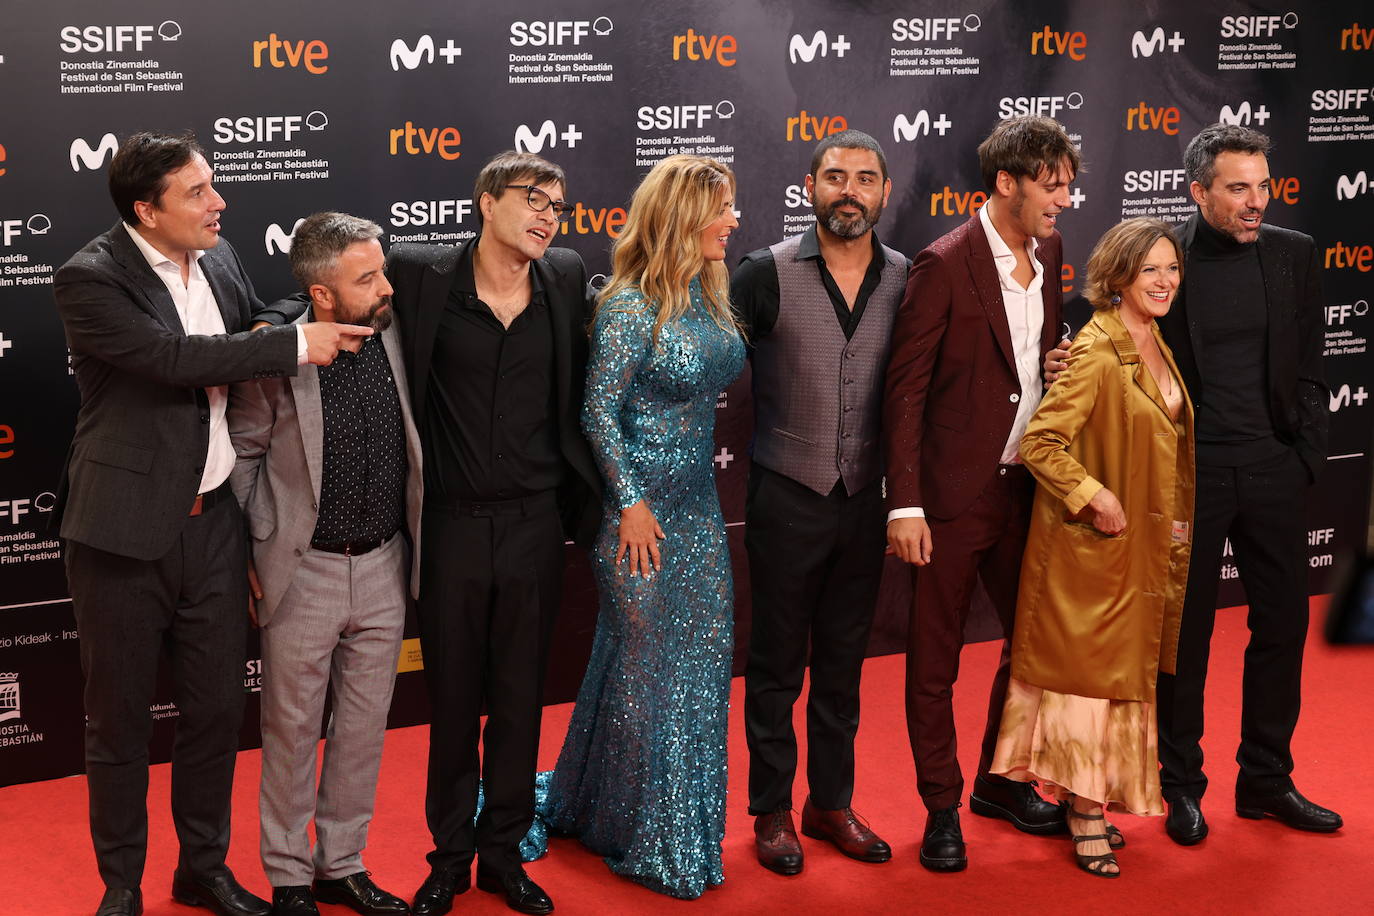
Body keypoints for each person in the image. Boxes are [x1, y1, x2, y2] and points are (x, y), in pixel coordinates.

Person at [255, 152, 601, 916]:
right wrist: (273, 325)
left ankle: (504, 854)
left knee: (520, 702)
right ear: (486, 202)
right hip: (448, 529)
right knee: (451, 702)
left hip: (536, 524)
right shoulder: (419, 275)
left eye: (559, 204)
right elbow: (324, 292)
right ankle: (449, 860)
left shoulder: (566, 274)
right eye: (533, 198)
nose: (548, 215)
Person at [52, 132, 371, 916]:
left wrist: (299, 315)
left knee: (216, 711)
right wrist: (293, 343)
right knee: (119, 722)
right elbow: (175, 359)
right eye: (197, 192)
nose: (218, 202)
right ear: (146, 210)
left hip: (216, 526)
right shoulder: (89, 278)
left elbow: (253, 323)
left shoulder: (219, 256)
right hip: (121, 532)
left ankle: (202, 868)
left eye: (213, 184)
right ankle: (121, 885)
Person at [1047, 124, 1339, 842]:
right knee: (1185, 636)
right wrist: (1060, 356)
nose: (1256, 201)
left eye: (1263, 186)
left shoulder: (1294, 254)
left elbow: (1310, 361)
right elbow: (1107, 329)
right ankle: (1181, 784)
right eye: (1238, 188)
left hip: (1273, 469)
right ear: (1198, 192)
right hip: (1187, 479)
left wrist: (1305, 455)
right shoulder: (1165, 260)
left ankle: (1267, 778)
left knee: (1283, 626)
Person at [538, 155, 745, 899]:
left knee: (701, 665)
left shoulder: (709, 296)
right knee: (646, 669)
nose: (733, 221)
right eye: (722, 208)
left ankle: (639, 813)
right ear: (683, 216)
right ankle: (647, 831)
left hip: (698, 511)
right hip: (636, 519)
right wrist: (628, 502)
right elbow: (598, 411)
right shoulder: (629, 306)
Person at [883, 115, 1078, 872]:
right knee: (934, 662)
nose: (1064, 200)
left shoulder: (1050, 250)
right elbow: (906, 391)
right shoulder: (942, 263)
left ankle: (1001, 782)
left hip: (1027, 487)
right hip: (951, 496)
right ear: (1006, 182)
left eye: (1067, 185)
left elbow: (1026, 361)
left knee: (1032, 648)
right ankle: (941, 806)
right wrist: (906, 504)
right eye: (1052, 186)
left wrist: (1050, 368)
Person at [228, 213, 422, 916]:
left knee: (364, 730)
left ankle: (341, 865)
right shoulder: (276, 355)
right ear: (322, 294)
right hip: (301, 570)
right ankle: (287, 877)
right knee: (290, 732)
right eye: (366, 278)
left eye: (382, 269)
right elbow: (244, 455)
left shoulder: (397, 333)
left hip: (385, 564)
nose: (386, 286)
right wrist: (255, 551)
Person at [992, 218, 1194, 878]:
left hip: (1141, 549)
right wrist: (1094, 496)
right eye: (1150, 269)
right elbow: (1040, 442)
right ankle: (1082, 811)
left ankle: (1094, 799)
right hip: (1096, 546)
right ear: (1119, 276)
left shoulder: (1154, 340)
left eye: (1171, 268)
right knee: (1088, 686)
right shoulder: (1097, 349)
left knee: (1118, 681)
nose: (1164, 281)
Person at [730, 129, 906, 875]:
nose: (849, 191)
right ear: (810, 186)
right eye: (835, 176)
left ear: (885, 192)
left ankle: (830, 803)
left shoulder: (907, 276)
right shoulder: (762, 271)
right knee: (775, 666)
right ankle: (772, 810)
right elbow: (704, 358)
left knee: (843, 666)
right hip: (785, 495)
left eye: (865, 178)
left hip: (864, 501)